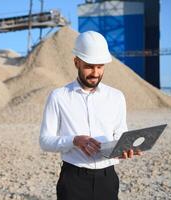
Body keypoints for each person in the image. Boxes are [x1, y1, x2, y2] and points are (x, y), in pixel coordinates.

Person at [39, 31, 141, 200]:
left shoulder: (116, 97)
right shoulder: (58, 96)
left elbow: (120, 135)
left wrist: (125, 149)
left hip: (107, 180)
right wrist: (74, 140)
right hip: (73, 180)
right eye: (89, 66)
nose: (95, 73)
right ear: (76, 62)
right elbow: (45, 141)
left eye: (100, 66)